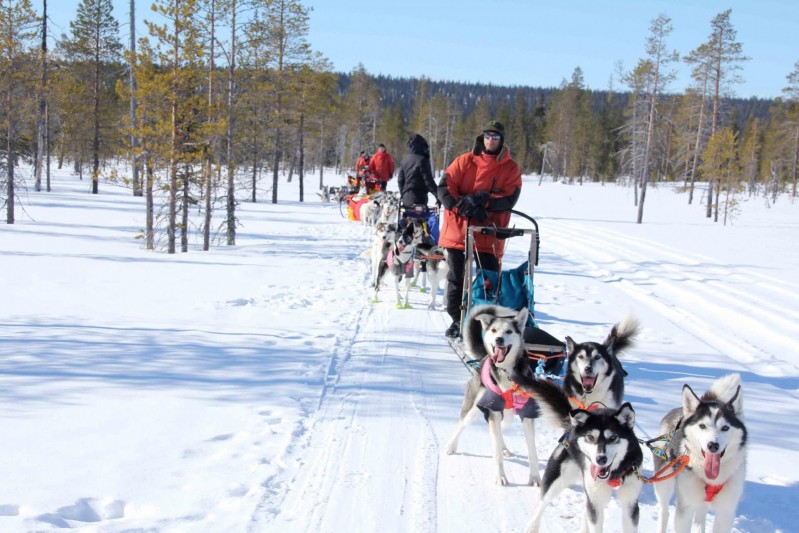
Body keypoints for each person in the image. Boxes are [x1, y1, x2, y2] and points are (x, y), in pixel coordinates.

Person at [437, 120, 522, 338]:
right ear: (481, 137)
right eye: (487, 136)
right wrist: (460, 205)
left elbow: (509, 198)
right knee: (457, 277)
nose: (490, 140)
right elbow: (446, 186)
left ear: (501, 141)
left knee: (489, 280)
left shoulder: (510, 168)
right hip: (459, 228)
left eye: (495, 137)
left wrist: (483, 200)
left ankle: (487, 323)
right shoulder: (465, 161)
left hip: (489, 232)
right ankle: (457, 319)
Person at [397, 134, 437, 207]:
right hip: (420, 198)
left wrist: (402, 194)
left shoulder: (404, 161)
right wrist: (437, 195)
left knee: (407, 216)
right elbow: (428, 181)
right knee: (423, 216)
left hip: (407, 197)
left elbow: (400, 180)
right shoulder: (422, 160)